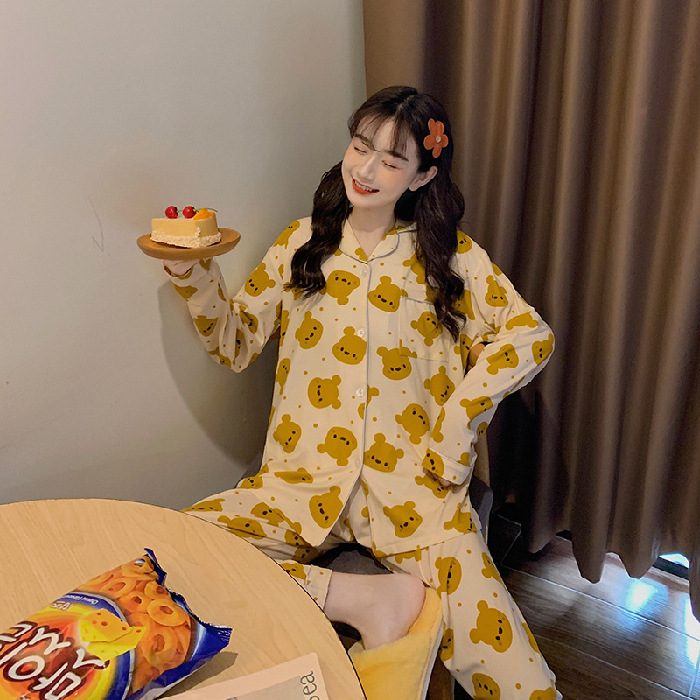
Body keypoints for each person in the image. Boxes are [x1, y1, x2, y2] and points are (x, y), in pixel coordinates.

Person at [162, 86, 558, 699]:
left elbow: (530, 335)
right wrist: (192, 273)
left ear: (422, 176)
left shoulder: (451, 257)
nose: (366, 170)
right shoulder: (300, 245)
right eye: (360, 146)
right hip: (298, 485)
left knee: (521, 682)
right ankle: (357, 598)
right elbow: (234, 344)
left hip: (417, 499)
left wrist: (459, 421)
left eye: (391, 161)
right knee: (169, 555)